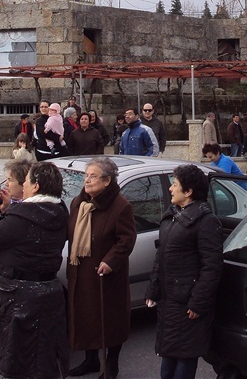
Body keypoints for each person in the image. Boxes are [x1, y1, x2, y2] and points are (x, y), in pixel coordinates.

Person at [0, 161, 70, 379]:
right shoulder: (60, 212)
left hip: (19, 296)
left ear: (35, 186)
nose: (24, 185)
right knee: (42, 360)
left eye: (27, 181)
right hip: (49, 294)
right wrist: (12, 210)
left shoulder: (22, 217)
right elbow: (28, 233)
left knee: (16, 362)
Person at [145, 165, 223, 379]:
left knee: (185, 360)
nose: (170, 189)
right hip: (169, 301)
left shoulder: (206, 222)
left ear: (188, 192)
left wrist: (198, 302)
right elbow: (160, 257)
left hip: (187, 303)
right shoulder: (172, 217)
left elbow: (212, 266)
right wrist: (153, 290)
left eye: (175, 185)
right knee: (168, 358)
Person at [67, 157, 137, 379]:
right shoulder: (79, 203)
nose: (87, 180)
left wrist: (110, 261)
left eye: (93, 176)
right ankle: (90, 360)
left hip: (106, 276)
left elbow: (126, 239)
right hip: (81, 272)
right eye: (86, 175)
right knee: (86, 317)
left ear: (107, 181)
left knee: (109, 321)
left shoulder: (121, 206)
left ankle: (112, 366)